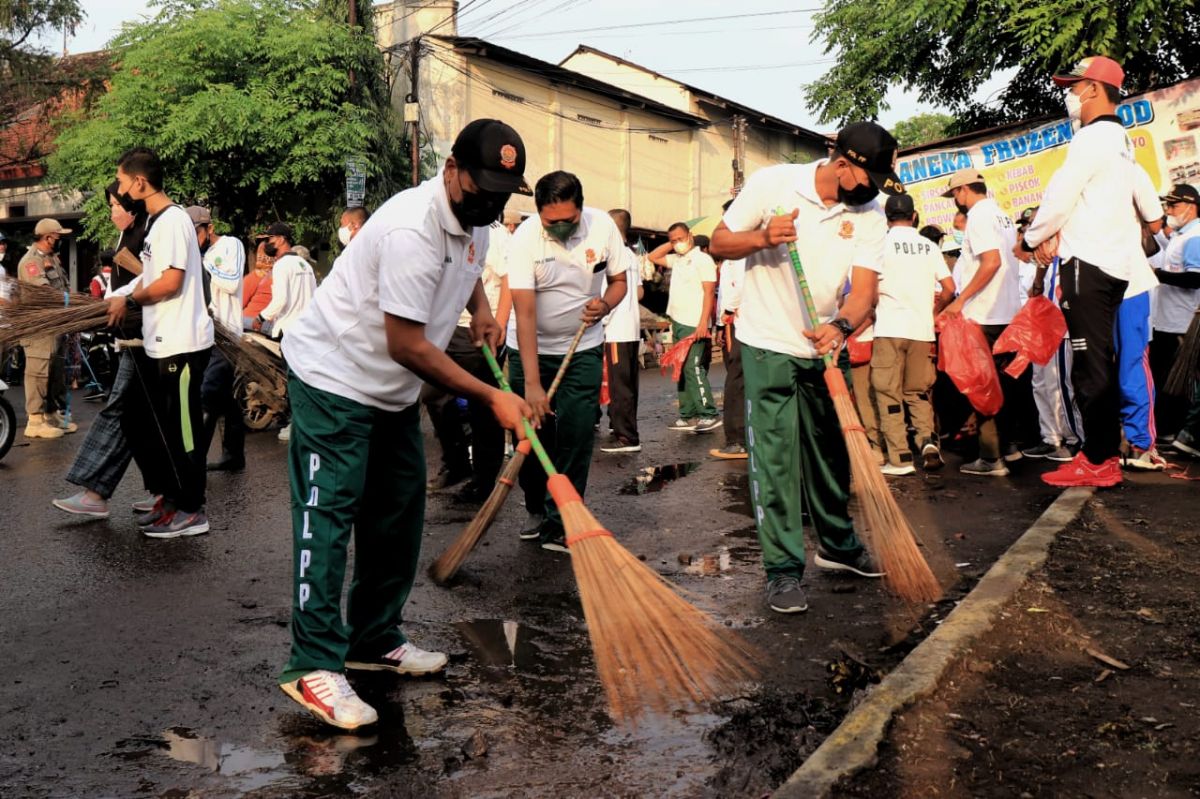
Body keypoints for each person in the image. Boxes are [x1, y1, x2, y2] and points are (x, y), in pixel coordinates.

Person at [273, 119, 533, 730]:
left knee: (397, 510)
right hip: (335, 377)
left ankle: (373, 640)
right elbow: (407, 345)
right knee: (327, 513)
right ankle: (310, 664)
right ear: (452, 172)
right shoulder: (411, 227)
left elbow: (467, 273)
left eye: (502, 191)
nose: (491, 202)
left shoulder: (476, 225)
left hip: (390, 395)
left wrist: (484, 313)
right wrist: (495, 395)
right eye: (483, 186)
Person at [710, 121, 899, 615]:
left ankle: (837, 546)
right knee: (775, 460)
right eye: (868, 179)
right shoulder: (774, 184)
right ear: (842, 164)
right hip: (767, 342)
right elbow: (719, 242)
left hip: (824, 345)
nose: (874, 190)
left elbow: (863, 292)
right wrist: (761, 237)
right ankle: (782, 570)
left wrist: (841, 326)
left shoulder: (871, 213)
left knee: (831, 452)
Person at [1022, 56, 1147, 487]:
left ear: (1093, 88)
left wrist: (1030, 240)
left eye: (1073, 88)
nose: (1070, 96)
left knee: (1088, 367)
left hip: (1087, 267)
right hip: (1114, 266)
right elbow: (1142, 204)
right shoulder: (1121, 141)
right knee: (1101, 364)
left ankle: (1096, 461)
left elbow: (1059, 196)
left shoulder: (1090, 139)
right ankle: (1103, 456)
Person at [504, 170, 628, 551]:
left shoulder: (602, 226)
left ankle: (562, 520)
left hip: (582, 347)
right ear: (539, 212)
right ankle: (536, 507)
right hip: (530, 350)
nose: (559, 227)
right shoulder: (525, 238)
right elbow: (524, 312)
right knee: (531, 435)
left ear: (581, 209)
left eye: (568, 221)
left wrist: (604, 303)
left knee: (574, 435)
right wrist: (532, 384)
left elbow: (620, 281)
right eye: (551, 221)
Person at [104, 147, 215, 538]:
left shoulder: (171, 222)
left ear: (140, 182)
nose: (118, 189)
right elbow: (150, 275)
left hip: (182, 346)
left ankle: (192, 510)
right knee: (140, 419)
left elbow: (170, 283)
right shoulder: (155, 221)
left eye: (120, 181)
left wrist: (130, 299)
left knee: (182, 431)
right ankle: (169, 495)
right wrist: (116, 296)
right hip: (159, 344)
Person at [52, 184, 151, 518]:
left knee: (119, 412)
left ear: (132, 207)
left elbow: (154, 282)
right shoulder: (127, 237)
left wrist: (119, 303)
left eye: (114, 205)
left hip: (144, 341)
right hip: (132, 339)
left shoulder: (146, 234)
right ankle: (166, 491)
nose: (111, 212)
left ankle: (95, 493)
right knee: (142, 418)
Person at [939, 168, 1023, 476]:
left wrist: (960, 302)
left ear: (963, 190)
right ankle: (1010, 447)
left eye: (955, 195)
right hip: (1007, 313)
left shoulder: (978, 216)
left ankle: (990, 458)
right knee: (1006, 385)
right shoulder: (1002, 216)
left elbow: (992, 261)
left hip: (985, 314)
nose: (955, 201)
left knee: (981, 386)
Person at [421, 211, 510, 501]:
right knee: (434, 396)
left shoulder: (493, 233)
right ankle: (457, 463)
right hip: (446, 327)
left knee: (483, 405)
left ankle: (485, 481)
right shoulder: (445, 226)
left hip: (478, 331)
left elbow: (507, 279)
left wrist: (500, 321)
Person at [872, 193, 956, 475]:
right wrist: (934, 313)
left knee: (889, 392)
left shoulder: (880, 245)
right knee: (918, 393)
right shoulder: (928, 246)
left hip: (889, 329)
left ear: (887, 217)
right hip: (922, 331)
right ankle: (928, 443)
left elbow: (870, 288)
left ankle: (900, 458)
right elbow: (949, 288)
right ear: (914, 216)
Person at [1016, 207, 1081, 462]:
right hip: (1042, 323)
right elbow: (1039, 281)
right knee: (1041, 382)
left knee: (1064, 384)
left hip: (1063, 324)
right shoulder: (1042, 256)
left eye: (1037, 223)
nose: (1034, 228)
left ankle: (1075, 438)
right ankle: (1050, 438)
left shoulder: (1069, 243)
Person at [1115, 167, 1167, 470]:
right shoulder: (1128, 170)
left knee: (1130, 364)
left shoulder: (1130, 170)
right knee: (1123, 365)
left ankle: (1138, 442)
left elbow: (1155, 223)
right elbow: (1156, 222)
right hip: (1110, 286)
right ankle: (1132, 442)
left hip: (1125, 285)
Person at [189, 205, 248, 472]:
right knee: (225, 398)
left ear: (209, 228)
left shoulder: (230, 245)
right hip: (205, 334)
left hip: (226, 336)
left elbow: (232, 282)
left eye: (196, 232)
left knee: (206, 394)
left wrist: (201, 264)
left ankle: (193, 462)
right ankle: (234, 455)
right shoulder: (197, 256)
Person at [650, 221, 720, 433]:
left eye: (680, 238)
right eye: (673, 240)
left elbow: (709, 293)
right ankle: (687, 414)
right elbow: (652, 257)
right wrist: (672, 244)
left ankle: (708, 413)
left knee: (693, 367)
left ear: (690, 236)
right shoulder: (677, 259)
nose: (677, 243)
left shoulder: (703, 260)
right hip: (679, 321)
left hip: (694, 323)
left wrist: (702, 323)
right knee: (680, 368)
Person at [18, 218, 77, 439]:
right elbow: (45, 292)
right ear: (47, 237)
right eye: (58, 237)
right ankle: (35, 420)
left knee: (56, 372)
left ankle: (51, 415)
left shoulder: (52, 258)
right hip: (39, 327)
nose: (60, 241)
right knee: (38, 372)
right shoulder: (31, 262)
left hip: (56, 325)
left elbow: (64, 287)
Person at [1151, 184, 1200, 445]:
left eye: (1173, 205)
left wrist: (1158, 275)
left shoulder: (1195, 236)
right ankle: (1170, 430)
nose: (1168, 210)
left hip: (1183, 323)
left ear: (1191, 207)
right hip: (1168, 322)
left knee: (1180, 382)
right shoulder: (1181, 236)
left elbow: (1196, 278)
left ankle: (1181, 433)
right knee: (1166, 379)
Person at [599, 208, 644, 454]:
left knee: (620, 386)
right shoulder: (630, 255)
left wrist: (601, 322)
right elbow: (638, 292)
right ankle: (621, 427)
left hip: (617, 327)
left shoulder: (612, 257)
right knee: (627, 383)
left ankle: (627, 436)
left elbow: (608, 295)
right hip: (631, 327)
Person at [710, 203, 747, 460]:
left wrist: (725, 318)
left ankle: (737, 439)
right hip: (745, 319)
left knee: (737, 380)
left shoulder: (738, 247)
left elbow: (735, 287)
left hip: (741, 320)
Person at [253, 222, 316, 340]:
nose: (266, 243)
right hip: (307, 330)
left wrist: (260, 318)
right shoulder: (305, 265)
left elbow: (280, 300)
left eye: (269, 239)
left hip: (288, 331)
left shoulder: (281, 265)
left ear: (282, 239)